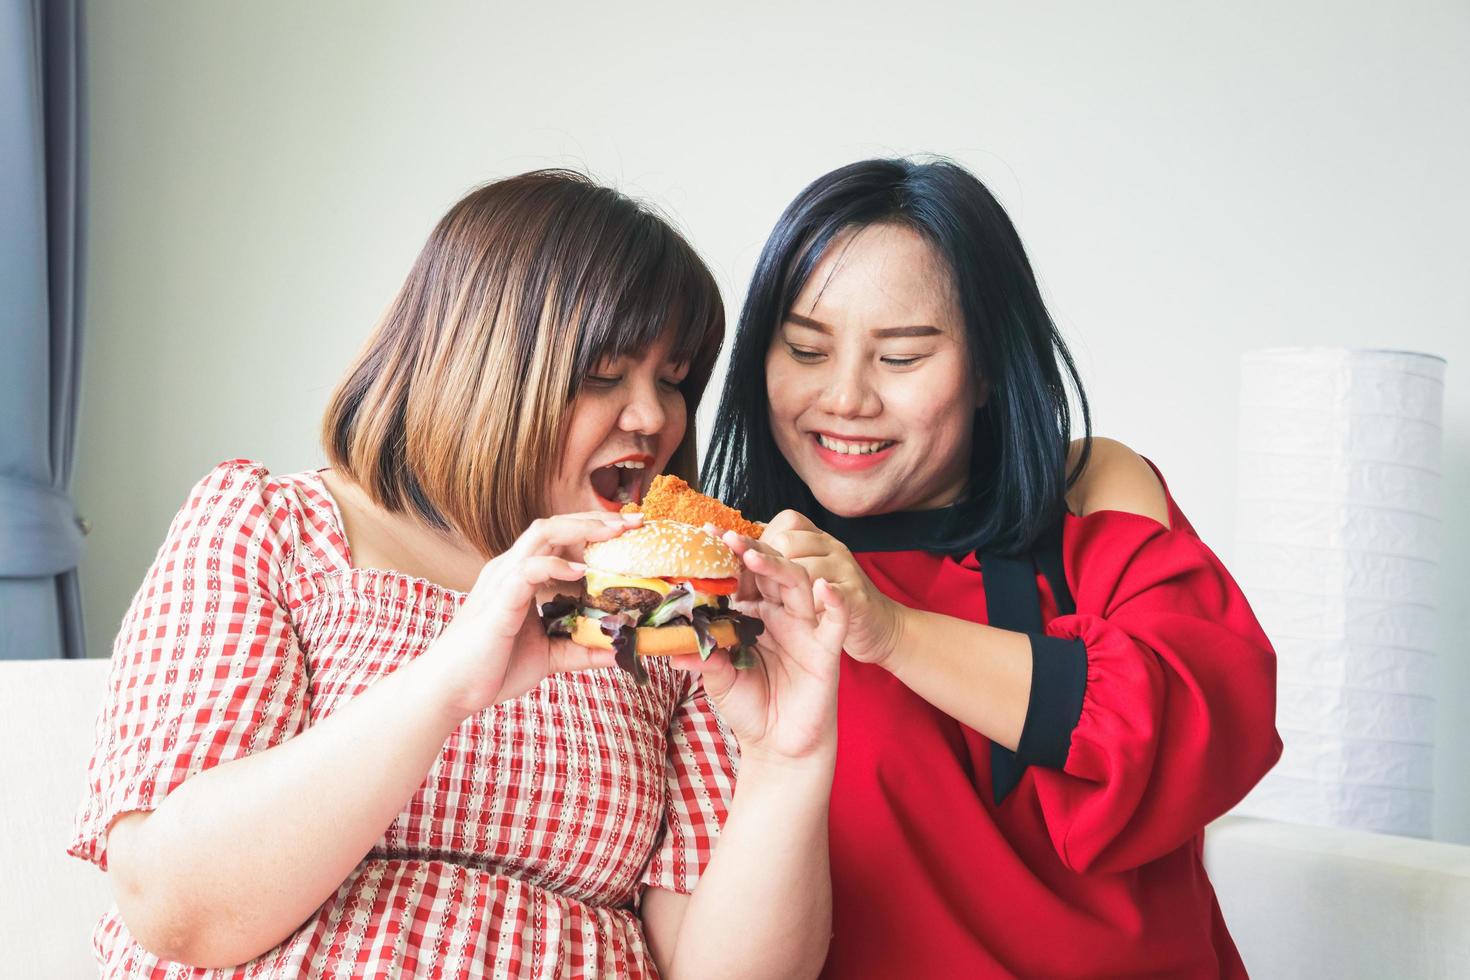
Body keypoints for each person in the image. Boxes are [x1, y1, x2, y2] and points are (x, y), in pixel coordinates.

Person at [69, 171, 848, 979]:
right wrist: (446, 682)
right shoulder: (272, 527)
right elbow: (175, 911)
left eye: (674, 378)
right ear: (480, 366)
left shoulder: (665, 618)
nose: (654, 418)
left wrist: (786, 761)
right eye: (604, 373)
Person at [703, 158, 1283, 978]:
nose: (844, 398)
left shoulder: (1088, 494)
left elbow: (1202, 722)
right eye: (804, 349)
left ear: (985, 369)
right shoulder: (728, 579)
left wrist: (894, 629)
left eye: (900, 358)